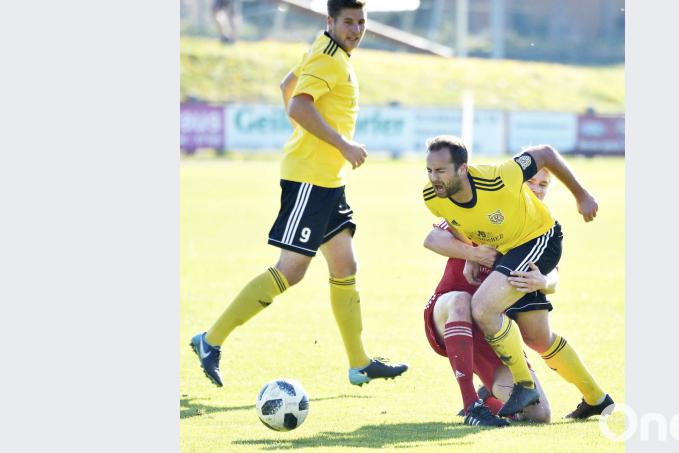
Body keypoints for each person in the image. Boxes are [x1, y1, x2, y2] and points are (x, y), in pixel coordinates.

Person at [191, 0, 407, 388]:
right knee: (291, 271)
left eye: (361, 22)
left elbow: (286, 86)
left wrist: (315, 143)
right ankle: (210, 340)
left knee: (345, 266)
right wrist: (341, 144)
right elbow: (298, 104)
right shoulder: (329, 58)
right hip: (311, 180)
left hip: (327, 181)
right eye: (348, 22)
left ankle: (359, 363)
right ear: (330, 21)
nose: (356, 29)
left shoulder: (326, 49)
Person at [423, 135, 611, 418]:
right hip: (510, 255)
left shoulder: (500, 179)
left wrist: (582, 195)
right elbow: (447, 225)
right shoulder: (434, 196)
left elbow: (545, 151)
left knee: (484, 308)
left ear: (462, 168)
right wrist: (471, 251)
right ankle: (598, 399)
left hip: (534, 242)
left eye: (440, 171)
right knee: (538, 338)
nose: (433, 178)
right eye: (430, 171)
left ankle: (522, 384)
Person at [423, 170, 559, 427]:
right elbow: (432, 238)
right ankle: (471, 405)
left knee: (539, 414)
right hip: (449, 312)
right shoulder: (483, 214)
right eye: (531, 182)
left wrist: (543, 281)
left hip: (494, 333)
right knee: (462, 300)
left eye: (544, 185)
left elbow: (554, 275)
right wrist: (472, 254)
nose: (537, 189)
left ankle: (489, 396)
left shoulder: (540, 229)